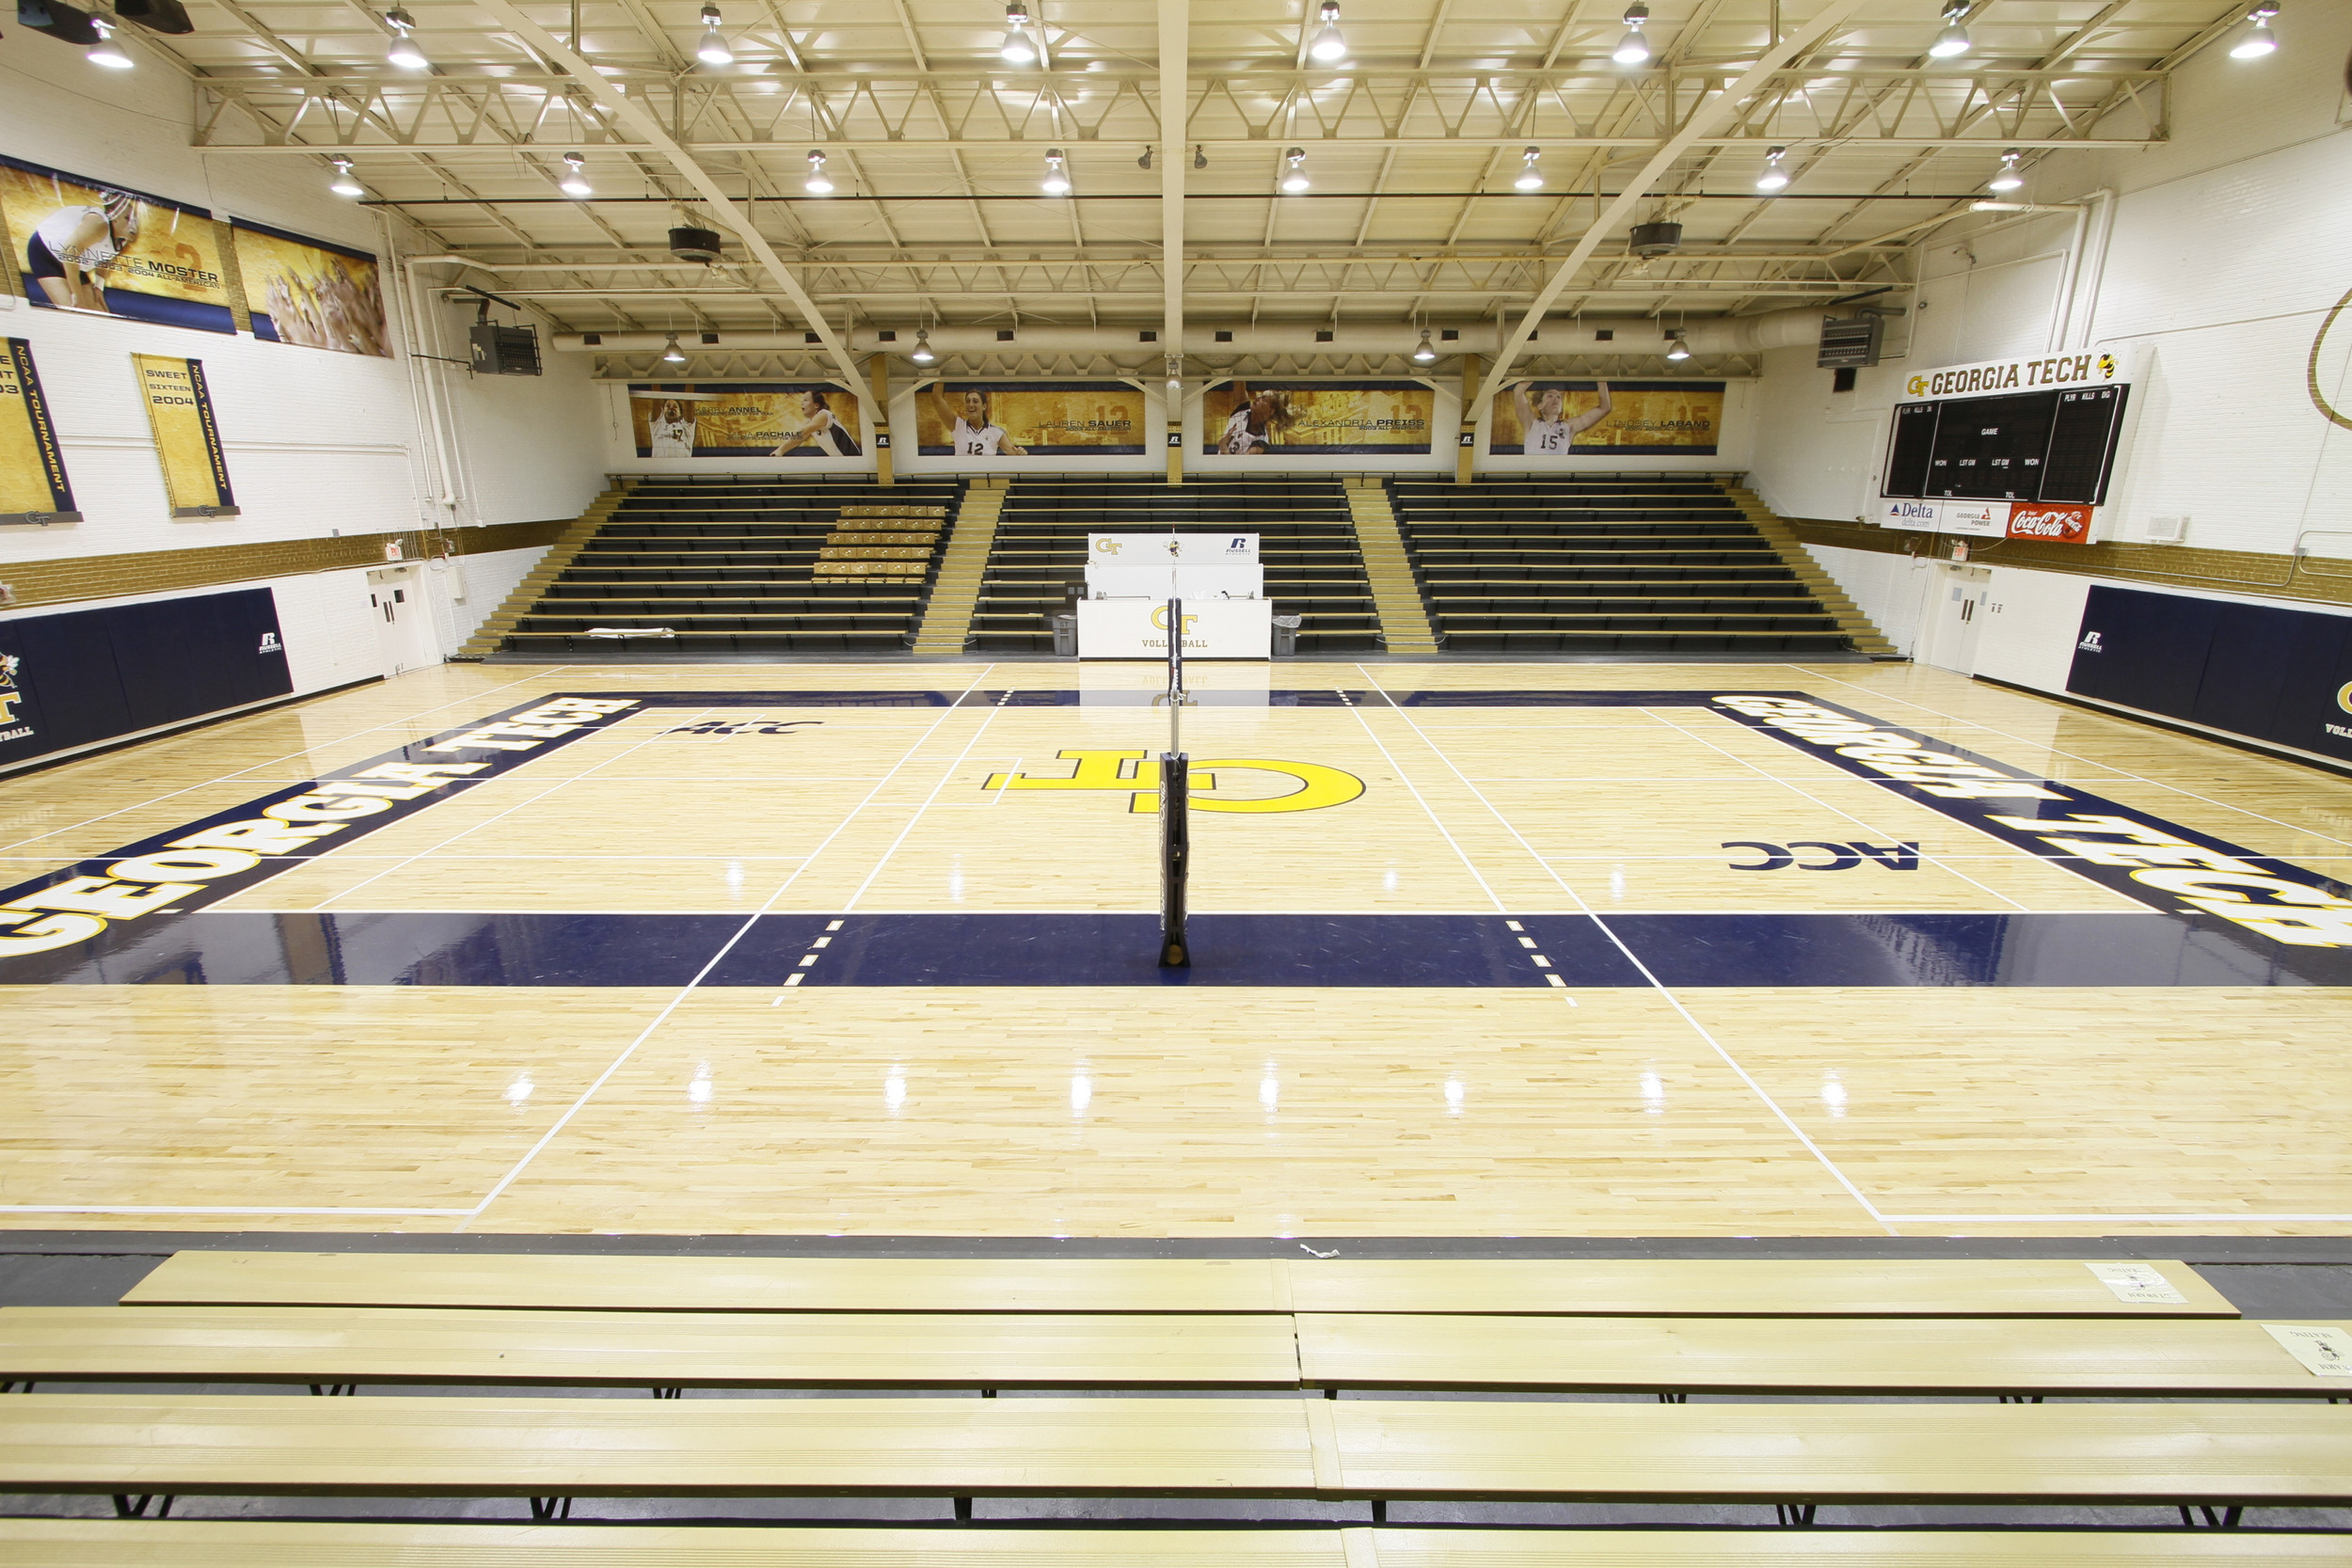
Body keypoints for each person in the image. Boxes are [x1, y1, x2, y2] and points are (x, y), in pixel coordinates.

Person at [25, 190, 140, 313]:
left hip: (73, 261)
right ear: (114, 218)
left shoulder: (122, 237)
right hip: (46, 252)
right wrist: (76, 294)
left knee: (101, 316)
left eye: (134, 219)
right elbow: (69, 252)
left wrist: (98, 287)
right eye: (127, 218)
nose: (132, 224)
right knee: (75, 313)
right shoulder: (99, 224)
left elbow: (106, 258)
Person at [1512, 379, 1613, 454]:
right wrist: (1537, 371)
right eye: (1550, 396)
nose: (1555, 399)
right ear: (1540, 405)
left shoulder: (1569, 426)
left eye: (1558, 397)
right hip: (1532, 477)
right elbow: (1518, 392)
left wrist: (1601, 378)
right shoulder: (1531, 422)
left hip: (1557, 479)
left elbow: (1604, 408)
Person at [928, 385, 1025, 455]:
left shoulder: (996, 432)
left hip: (985, 480)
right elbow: (937, 399)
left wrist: (1021, 453)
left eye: (975, 401)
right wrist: (940, 374)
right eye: (968, 401)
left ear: (984, 406)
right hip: (962, 480)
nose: (971, 405)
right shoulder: (958, 426)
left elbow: (1015, 455)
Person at [770, 388, 860, 456]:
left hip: (855, 460)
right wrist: (781, 450)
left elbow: (802, 432)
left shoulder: (823, 415)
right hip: (843, 463)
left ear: (816, 405)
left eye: (805, 400)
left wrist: (781, 450)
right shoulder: (811, 424)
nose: (802, 403)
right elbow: (798, 439)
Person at [1216, 378, 1292, 454]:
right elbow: (1239, 378)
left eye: (1264, 399)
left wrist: (1223, 446)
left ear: (1271, 411)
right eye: (1260, 395)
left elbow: (1238, 466)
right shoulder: (1242, 409)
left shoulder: (1261, 443)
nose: (1258, 398)